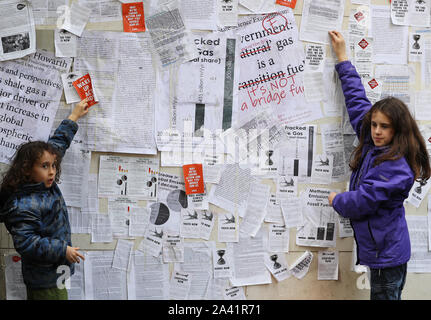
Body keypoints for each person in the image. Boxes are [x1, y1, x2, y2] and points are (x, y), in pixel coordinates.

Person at [327, 30, 430, 300]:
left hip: (387, 257)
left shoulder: (395, 165)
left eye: (384, 127)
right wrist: (343, 59)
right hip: (383, 253)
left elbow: (364, 200)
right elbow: (357, 100)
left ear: (398, 130)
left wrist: (337, 200)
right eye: (374, 124)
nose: (376, 131)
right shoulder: (375, 145)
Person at [0, 98, 90, 300]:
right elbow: (27, 243)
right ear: (27, 169)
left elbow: (57, 145)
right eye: (44, 166)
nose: (52, 172)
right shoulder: (22, 204)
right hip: (44, 279)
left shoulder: (43, 187)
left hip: (57, 270)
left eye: (53, 165)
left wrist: (74, 116)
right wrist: (62, 250)